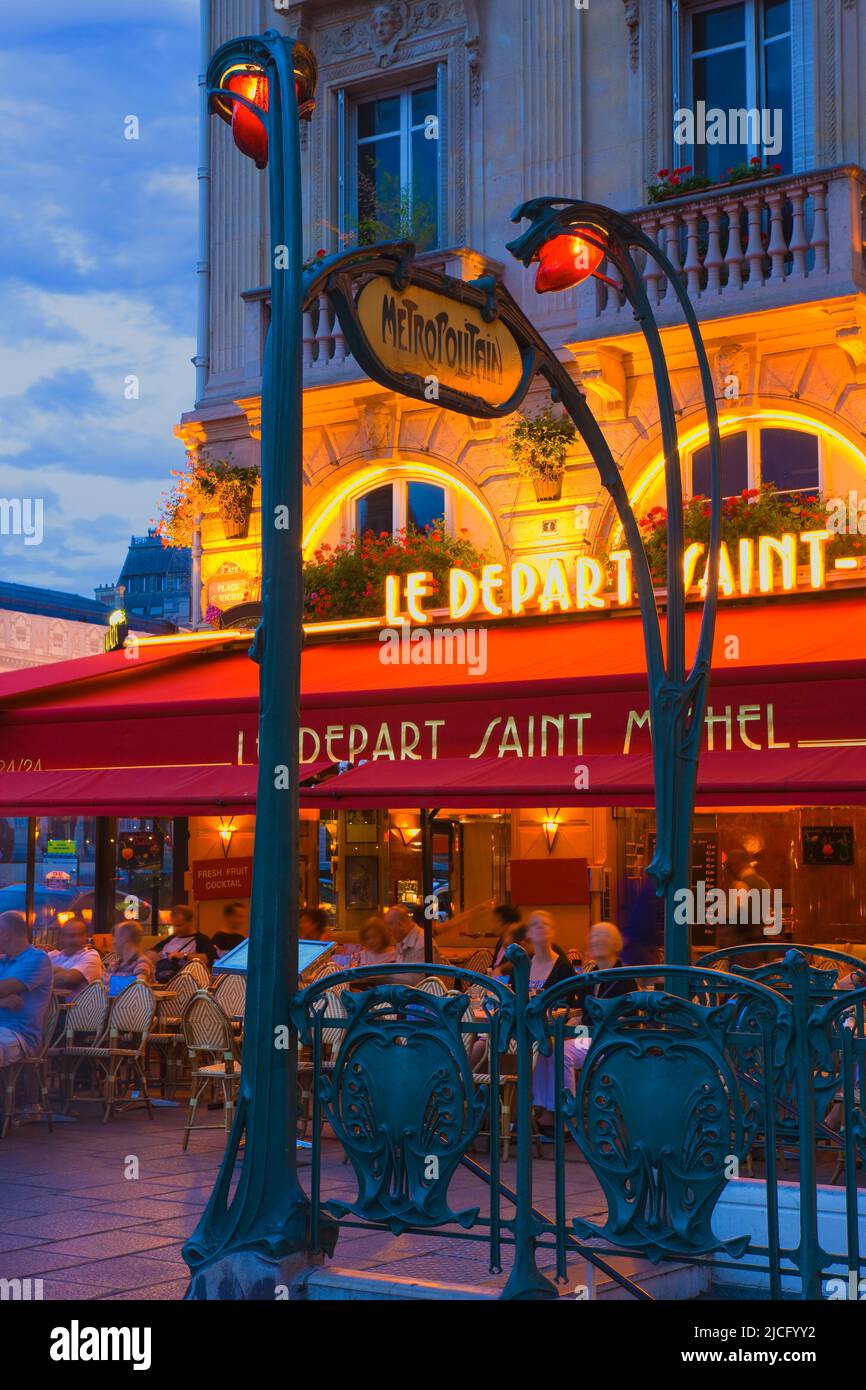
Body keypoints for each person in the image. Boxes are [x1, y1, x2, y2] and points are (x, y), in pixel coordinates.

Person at [0, 910, 52, 1066]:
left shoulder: (37, 959)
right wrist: (2, 1003)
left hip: (18, 1035)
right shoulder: (3, 961)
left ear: (6, 935)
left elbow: (3, 989)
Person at [146, 903, 216, 979]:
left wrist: (184, 956)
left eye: (180, 925)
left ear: (190, 922)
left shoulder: (201, 939)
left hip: (188, 981)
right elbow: (152, 952)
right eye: (173, 925)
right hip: (164, 979)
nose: (176, 929)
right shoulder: (170, 939)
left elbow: (210, 959)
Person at [385, 904, 442, 983]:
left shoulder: (423, 944)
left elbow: (418, 981)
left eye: (389, 926)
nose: (388, 931)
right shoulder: (402, 940)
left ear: (400, 924)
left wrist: (382, 977)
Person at [49, 918, 104, 998]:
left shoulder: (91, 955)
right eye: (71, 936)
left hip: (77, 1009)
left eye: (80, 935)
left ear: (86, 937)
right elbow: (31, 977)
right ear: (62, 937)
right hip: (49, 1007)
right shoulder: (52, 956)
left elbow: (68, 980)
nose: (76, 940)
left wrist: (48, 972)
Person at [524, 911, 575, 995]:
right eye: (534, 924)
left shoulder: (563, 967)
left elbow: (569, 1002)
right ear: (528, 933)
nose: (540, 926)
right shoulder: (523, 966)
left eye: (545, 923)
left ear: (552, 932)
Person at [490, 904, 525, 975]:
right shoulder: (500, 941)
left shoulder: (521, 943)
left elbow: (516, 967)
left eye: (495, 921)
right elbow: (494, 966)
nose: (492, 926)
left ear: (506, 923)